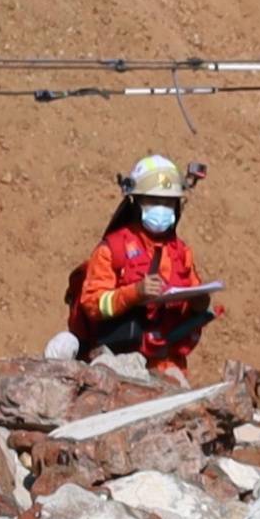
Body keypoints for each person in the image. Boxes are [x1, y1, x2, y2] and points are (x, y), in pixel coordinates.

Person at [64, 156, 217, 375]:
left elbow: (189, 302)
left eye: (168, 202)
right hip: (116, 363)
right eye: (154, 200)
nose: (162, 208)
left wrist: (199, 304)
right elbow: (93, 303)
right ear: (136, 202)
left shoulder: (181, 253)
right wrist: (134, 293)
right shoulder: (112, 250)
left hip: (168, 366)